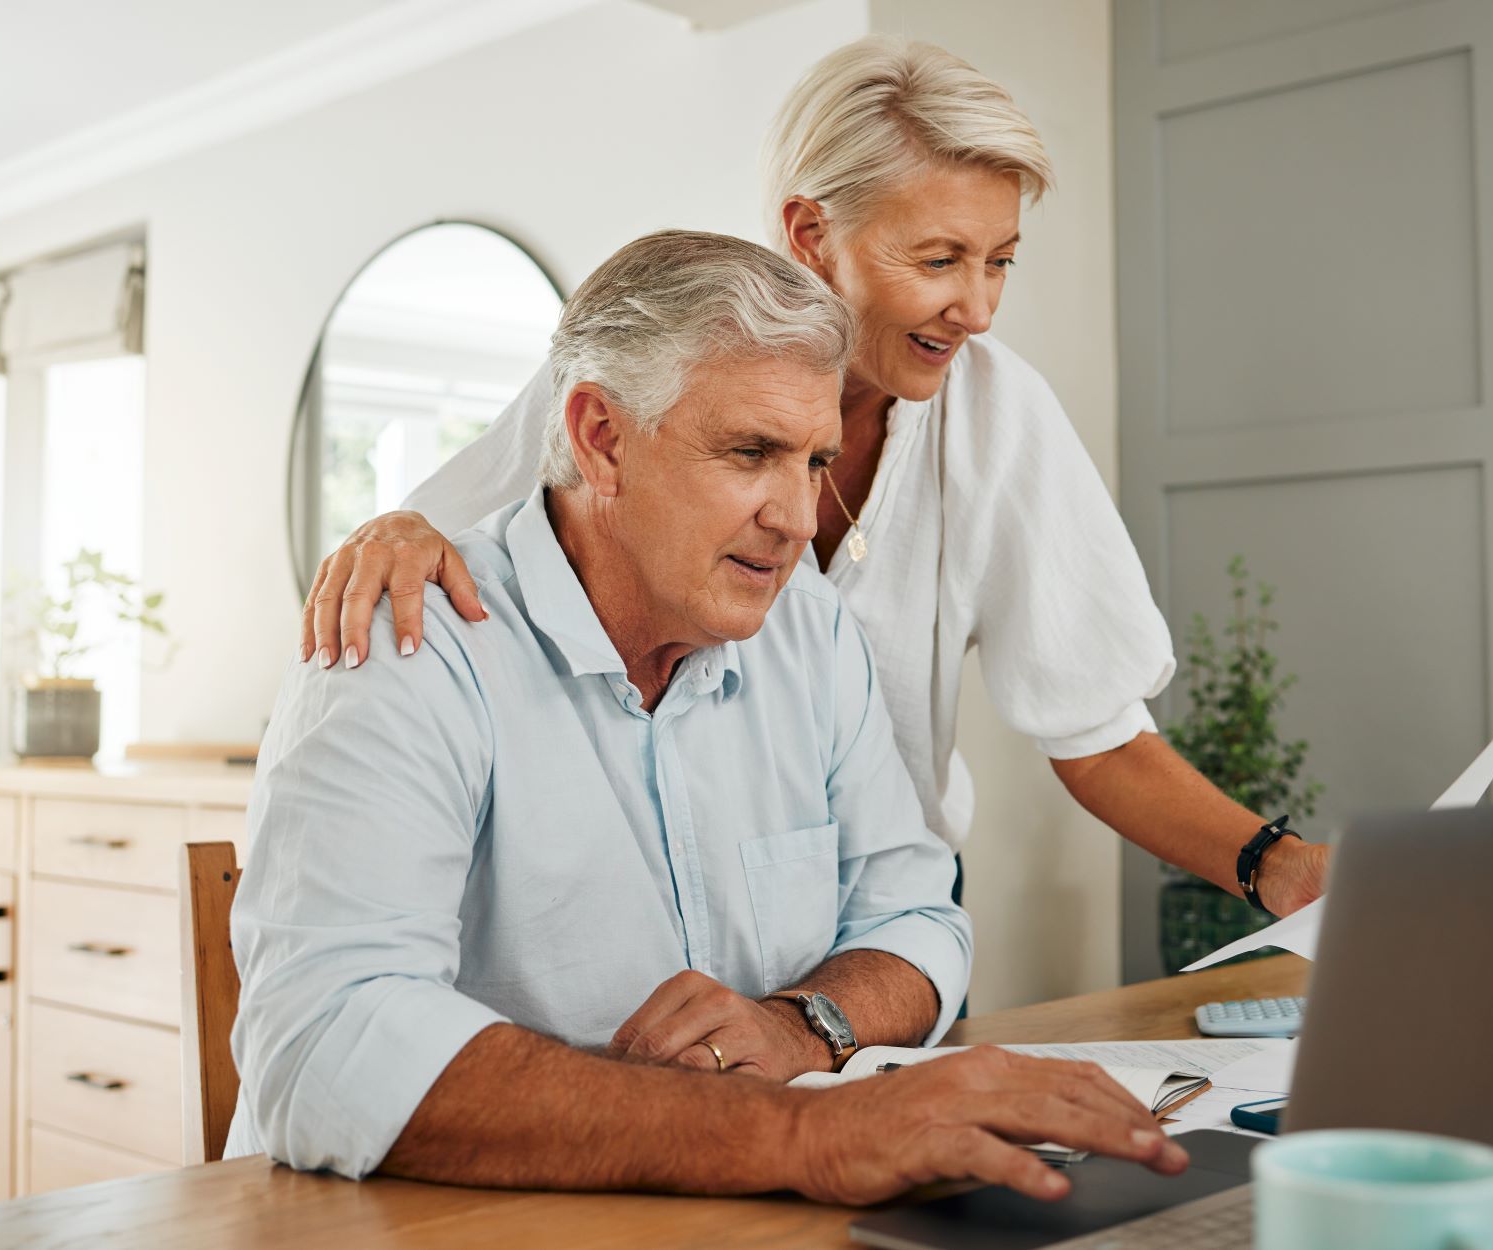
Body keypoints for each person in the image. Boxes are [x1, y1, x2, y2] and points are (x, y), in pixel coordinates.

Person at [228, 230, 1189, 1203]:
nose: (798, 518)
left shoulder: (805, 625)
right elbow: (326, 1046)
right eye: (751, 452)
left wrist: (802, 1025)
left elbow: (918, 913)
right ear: (601, 438)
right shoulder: (406, 640)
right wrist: (801, 1133)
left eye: (814, 460)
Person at [305, 39, 1326, 929]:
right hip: (676, 909)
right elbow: (442, 537)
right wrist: (397, 527)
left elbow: (1096, 727)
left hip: (895, 914)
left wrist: (1277, 865)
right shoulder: (649, 365)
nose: (976, 307)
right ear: (809, 234)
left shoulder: (998, 416)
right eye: (940, 258)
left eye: (1001, 262)